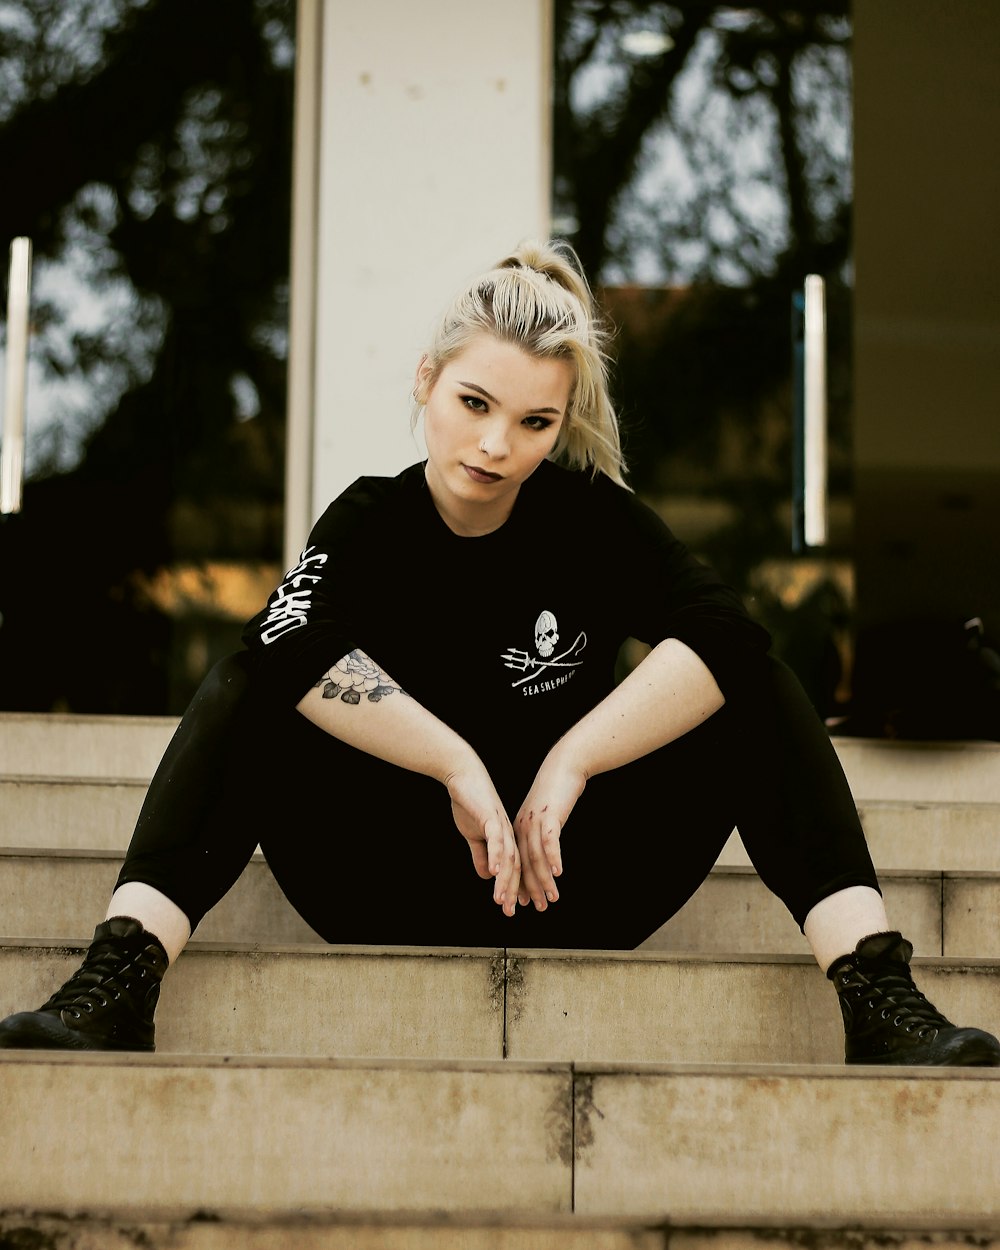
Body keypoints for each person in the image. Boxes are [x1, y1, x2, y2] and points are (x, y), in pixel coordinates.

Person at [1, 240, 997, 1067]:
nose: (495, 444)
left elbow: (727, 631)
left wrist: (570, 761)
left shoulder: (591, 522)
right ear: (428, 382)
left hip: (575, 876)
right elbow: (290, 638)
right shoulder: (371, 517)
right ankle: (119, 979)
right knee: (250, 668)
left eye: (533, 421)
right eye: (474, 403)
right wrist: (455, 761)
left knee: (755, 682)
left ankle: (875, 993)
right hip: (382, 876)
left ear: (560, 425)